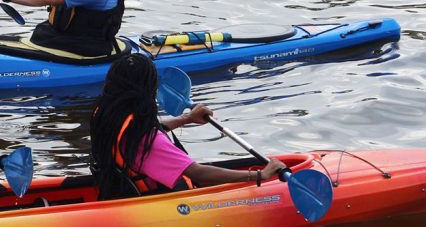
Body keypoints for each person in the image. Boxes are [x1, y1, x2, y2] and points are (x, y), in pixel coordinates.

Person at [90, 54, 286, 199]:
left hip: (119, 194)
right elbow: (198, 173)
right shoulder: (147, 140)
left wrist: (187, 119)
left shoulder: (107, 116)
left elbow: (151, 129)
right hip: (160, 203)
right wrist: (261, 175)